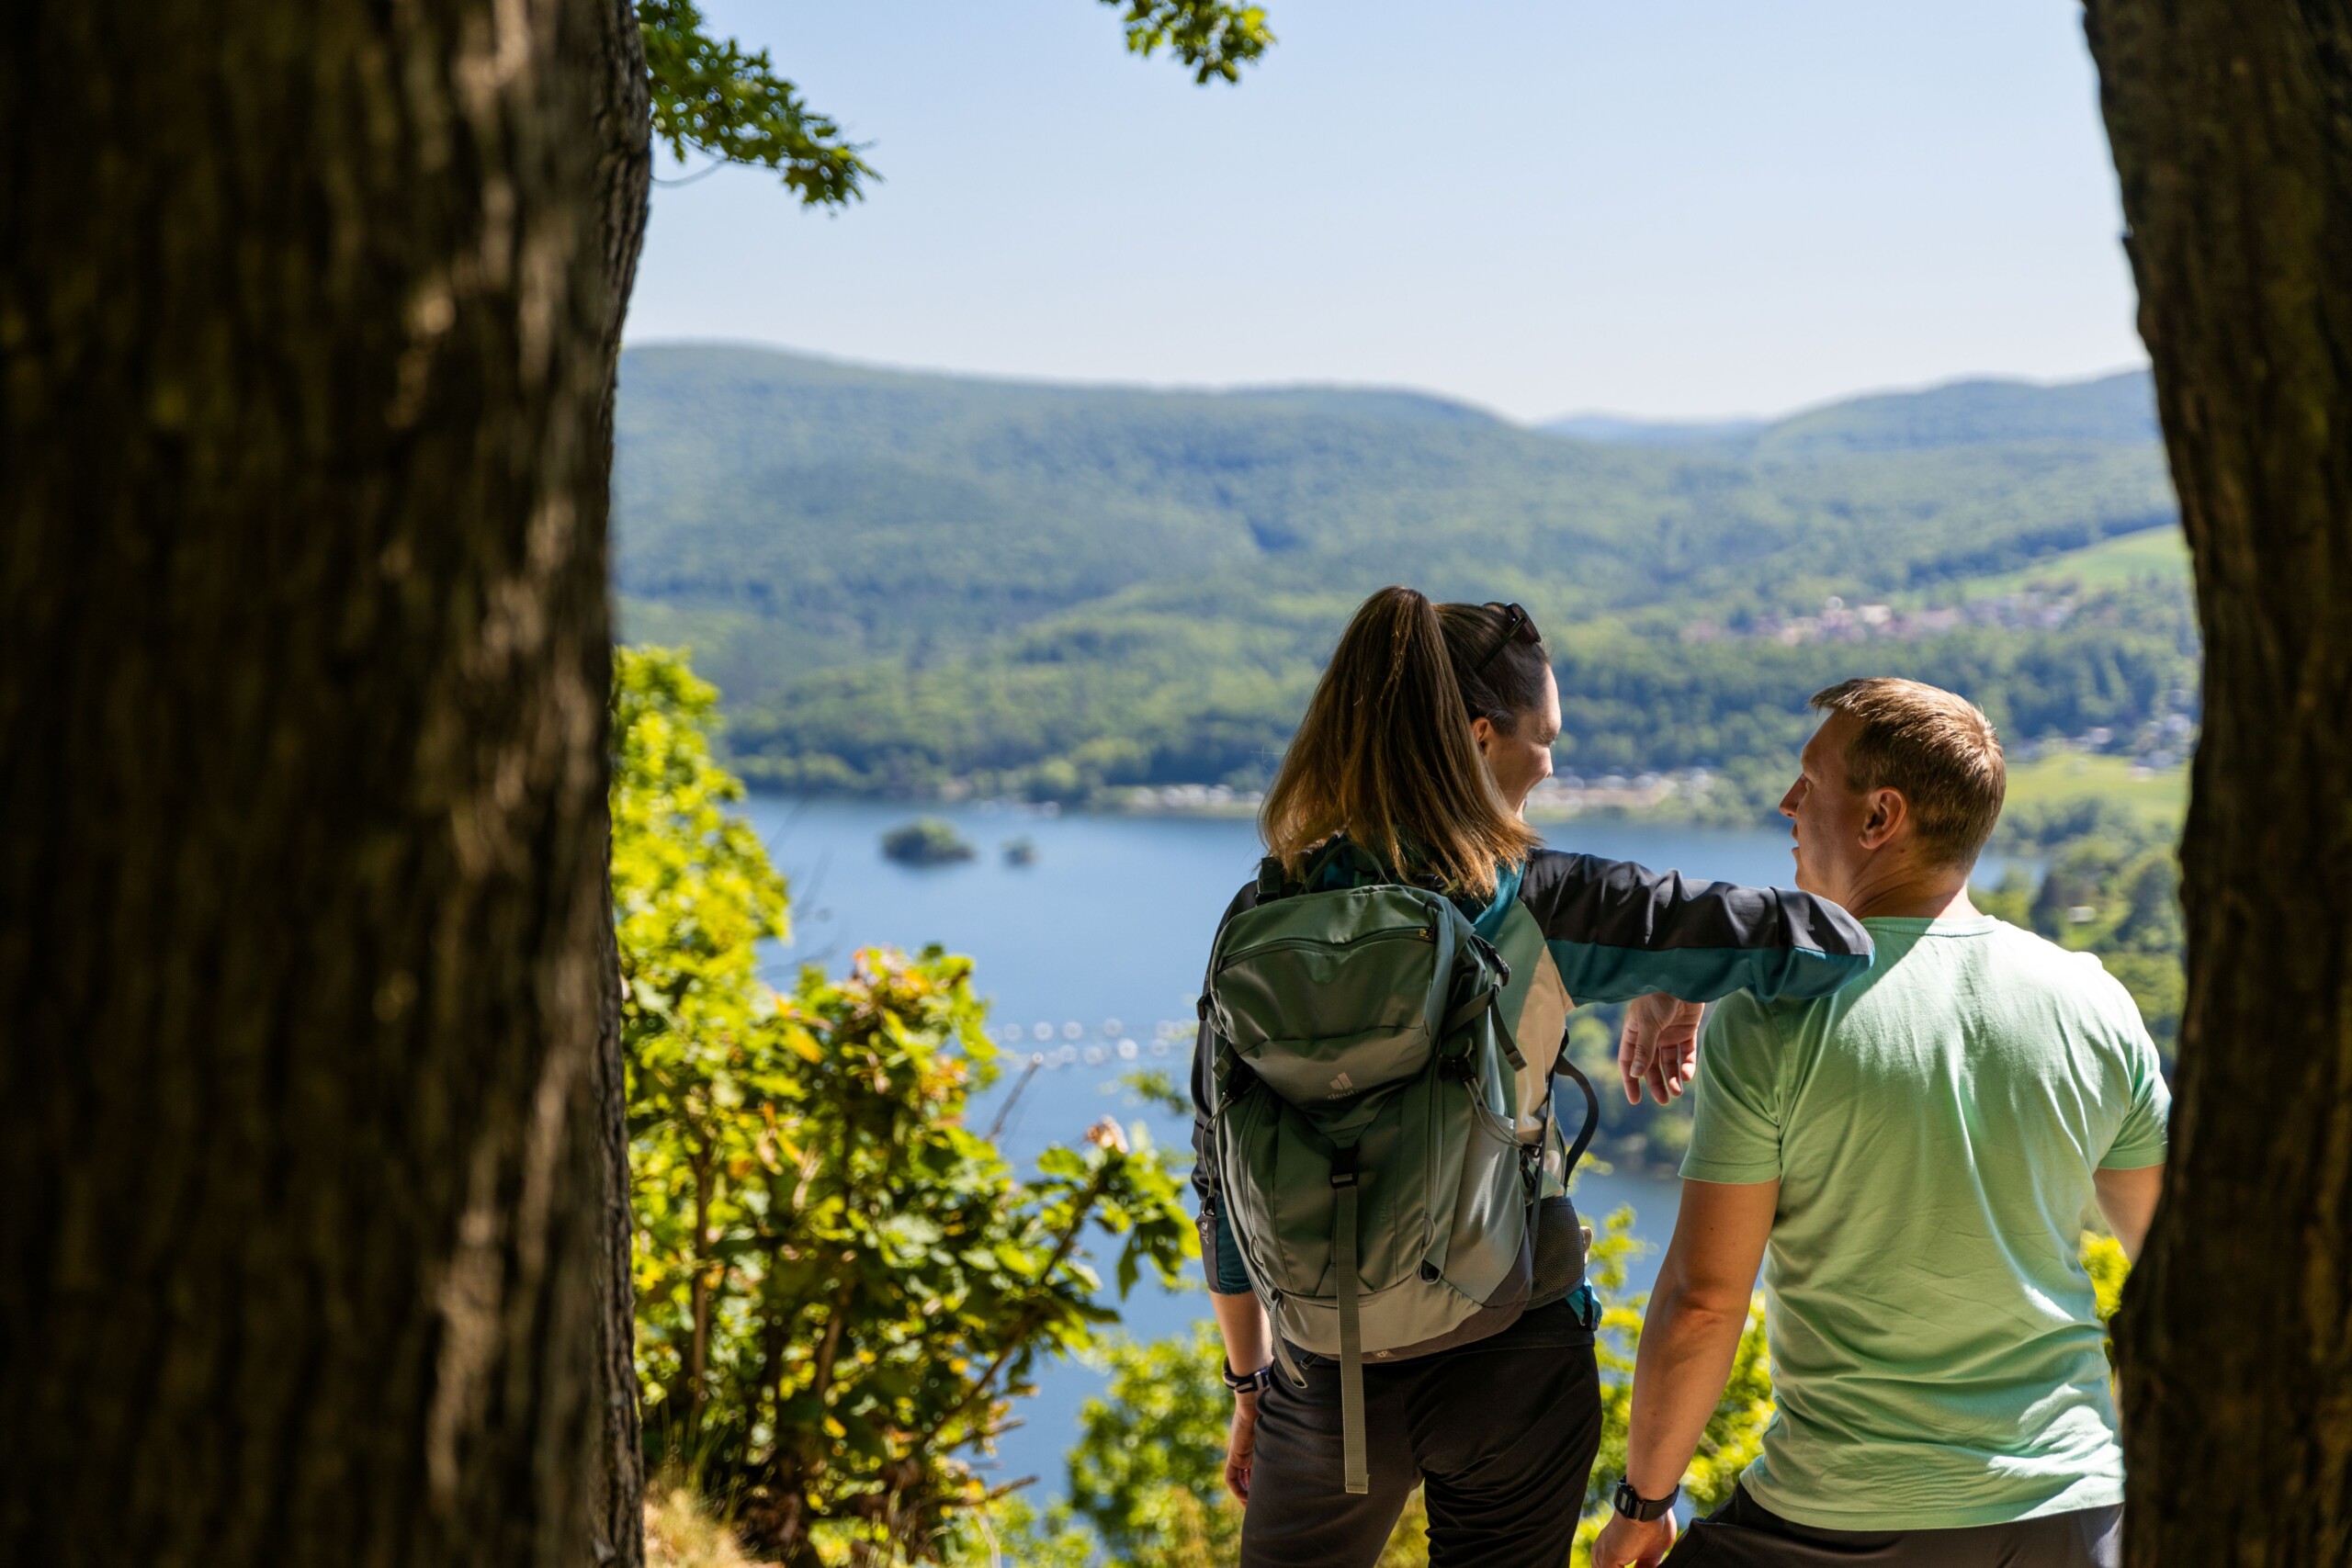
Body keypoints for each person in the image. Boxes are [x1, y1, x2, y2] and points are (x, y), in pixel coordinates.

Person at [1190, 588, 1877, 1568]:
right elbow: (1827, 944)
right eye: (1542, 736)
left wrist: (1250, 1383)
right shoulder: (1547, 902)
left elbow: (1220, 1170)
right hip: (1511, 1359)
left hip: (1324, 1376)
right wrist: (1677, 980)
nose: (1551, 763)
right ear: (1480, 736)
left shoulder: (1263, 914)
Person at [1590, 678, 2170, 1568]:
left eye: (1810, 780)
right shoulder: (2092, 1003)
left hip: (1841, 1520)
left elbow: (1704, 1302)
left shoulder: (1773, 1018)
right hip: (2077, 1514)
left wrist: (1642, 1503)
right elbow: (2181, 1261)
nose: (1787, 802)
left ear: (1878, 817)